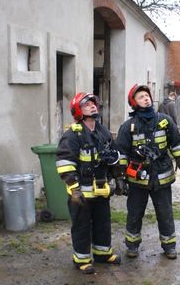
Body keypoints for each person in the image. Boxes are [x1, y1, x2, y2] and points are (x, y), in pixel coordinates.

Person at [115, 84, 180, 260]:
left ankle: (169, 246)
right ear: (134, 103)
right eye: (141, 97)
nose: (146, 98)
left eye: (147, 95)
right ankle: (132, 246)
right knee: (134, 214)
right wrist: (119, 178)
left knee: (165, 213)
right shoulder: (128, 127)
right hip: (137, 181)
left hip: (162, 178)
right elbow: (121, 154)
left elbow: (177, 145)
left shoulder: (164, 121)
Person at [55, 92, 125, 274]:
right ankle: (82, 259)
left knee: (103, 223)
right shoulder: (72, 136)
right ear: (78, 110)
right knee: (82, 226)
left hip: (101, 191)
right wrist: (74, 189)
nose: (93, 106)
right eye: (87, 105)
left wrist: (118, 179)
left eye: (94, 104)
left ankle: (102, 254)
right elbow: (64, 163)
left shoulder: (103, 132)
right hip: (81, 194)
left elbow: (114, 157)